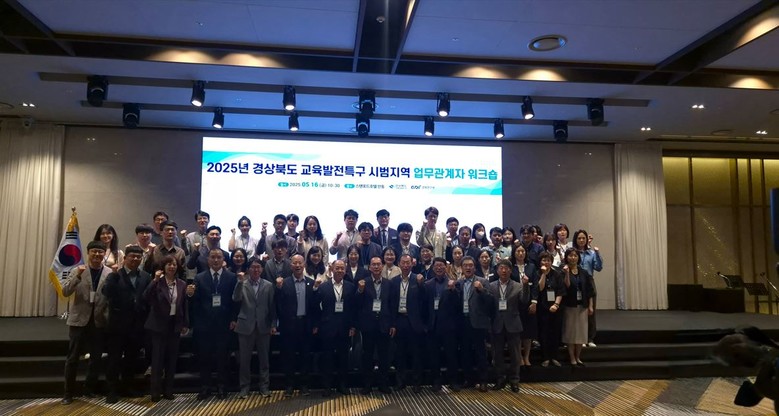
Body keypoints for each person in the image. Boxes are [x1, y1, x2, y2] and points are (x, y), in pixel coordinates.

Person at [61, 240, 112, 405]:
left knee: (96, 358)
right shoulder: (78, 270)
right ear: (88, 253)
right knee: (73, 358)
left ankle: (89, 390)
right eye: (94, 251)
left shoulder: (109, 273)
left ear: (104, 254)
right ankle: (68, 393)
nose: (97, 254)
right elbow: (65, 291)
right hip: (79, 320)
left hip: (99, 321)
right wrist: (77, 276)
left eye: (100, 252)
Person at [102, 245, 151, 403]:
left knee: (131, 359)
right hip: (117, 325)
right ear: (125, 258)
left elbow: (148, 298)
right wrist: (114, 276)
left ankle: (127, 387)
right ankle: (112, 390)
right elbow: (106, 292)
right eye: (132, 256)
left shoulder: (145, 276)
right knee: (114, 359)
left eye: (138, 257)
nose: (135, 259)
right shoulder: (115, 275)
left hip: (136, 326)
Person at [186, 247, 237, 400]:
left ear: (223, 260)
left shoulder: (231, 277)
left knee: (223, 358)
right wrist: (190, 295)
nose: (215, 260)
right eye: (213, 257)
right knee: (204, 358)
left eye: (218, 257)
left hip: (224, 324)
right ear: (208, 260)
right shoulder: (199, 278)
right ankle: (205, 387)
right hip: (204, 324)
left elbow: (235, 301)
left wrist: (233, 319)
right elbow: (195, 302)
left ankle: (222, 387)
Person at [144, 255, 189, 402]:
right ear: (163, 267)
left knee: (171, 360)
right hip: (158, 326)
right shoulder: (158, 282)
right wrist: (155, 280)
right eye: (169, 264)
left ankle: (168, 391)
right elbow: (146, 297)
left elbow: (184, 306)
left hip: (174, 325)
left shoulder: (181, 284)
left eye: (174, 264)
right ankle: (155, 392)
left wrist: (185, 324)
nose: (172, 267)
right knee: (157, 360)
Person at [232, 257, 276, 399]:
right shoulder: (242, 283)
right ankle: (244, 387)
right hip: (245, 325)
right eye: (253, 267)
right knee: (244, 360)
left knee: (264, 360)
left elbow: (272, 306)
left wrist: (273, 324)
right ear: (248, 269)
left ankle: (264, 387)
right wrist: (239, 282)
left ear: (262, 269)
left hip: (263, 325)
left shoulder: (268, 285)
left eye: (258, 267)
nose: (256, 269)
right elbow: (235, 298)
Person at [275, 254, 318, 396]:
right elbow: (278, 304)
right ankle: (289, 385)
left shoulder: (311, 283)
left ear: (304, 264)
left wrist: (315, 324)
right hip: (289, 326)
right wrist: (278, 289)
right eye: (295, 263)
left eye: (300, 263)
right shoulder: (284, 283)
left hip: (305, 325)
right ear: (291, 265)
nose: (298, 265)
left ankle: (304, 385)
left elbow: (315, 307)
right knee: (289, 357)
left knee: (305, 356)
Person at [313, 259, 355, 396]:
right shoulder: (323, 287)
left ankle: (342, 385)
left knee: (344, 358)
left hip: (344, 328)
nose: (340, 270)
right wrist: (318, 324)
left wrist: (352, 326)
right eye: (337, 268)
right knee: (327, 359)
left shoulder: (350, 287)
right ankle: (327, 386)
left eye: (342, 268)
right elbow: (315, 306)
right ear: (332, 269)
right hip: (327, 328)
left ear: (345, 270)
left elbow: (353, 309)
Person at [355, 257, 392, 394]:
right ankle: (367, 384)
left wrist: (392, 324)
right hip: (368, 325)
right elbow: (357, 303)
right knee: (367, 356)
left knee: (384, 356)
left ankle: (383, 384)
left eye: (378, 264)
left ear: (382, 266)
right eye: (373, 265)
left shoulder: (388, 284)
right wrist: (360, 290)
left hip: (384, 324)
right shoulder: (363, 282)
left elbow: (392, 305)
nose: (376, 267)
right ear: (369, 267)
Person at [389, 254, 426, 393]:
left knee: (417, 354)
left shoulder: (418, 279)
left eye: (408, 263)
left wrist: (421, 285)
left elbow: (424, 300)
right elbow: (391, 304)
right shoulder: (393, 281)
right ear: (399, 264)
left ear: (412, 264)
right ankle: (400, 382)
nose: (405, 265)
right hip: (399, 320)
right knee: (400, 354)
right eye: (403, 263)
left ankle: (417, 382)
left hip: (414, 322)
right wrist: (392, 323)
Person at [455, 256, 493, 392]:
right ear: (461, 268)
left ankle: (483, 381)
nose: (468, 268)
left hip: (478, 322)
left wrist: (482, 290)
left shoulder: (482, 281)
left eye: (470, 265)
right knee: (465, 352)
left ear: (475, 268)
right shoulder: (458, 283)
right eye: (465, 265)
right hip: (463, 322)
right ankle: (469, 379)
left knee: (480, 353)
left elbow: (490, 302)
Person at [424, 257, 460, 392]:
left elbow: (458, 304)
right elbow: (424, 306)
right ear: (433, 268)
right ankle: (436, 381)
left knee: (451, 355)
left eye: (441, 266)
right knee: (434, 356)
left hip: (449, 326)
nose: (439, 268)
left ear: (446, 267)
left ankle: (453, 381)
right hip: (433, 325)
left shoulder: (453, 283)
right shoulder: (428, 284)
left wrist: (453, 290)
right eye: (436, 266)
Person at [489, 259, 522, 392]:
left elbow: (524, 300)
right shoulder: (491, 286)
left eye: (506, 268)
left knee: (515, 354)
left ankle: (514, 380)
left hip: (513, 323)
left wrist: (526, 286)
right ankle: (500, 379)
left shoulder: (518, 286)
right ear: (497, 271)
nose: (503, 271)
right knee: (497, 354)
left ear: (510, 270)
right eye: (501, 268)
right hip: (497, 323)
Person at [561, 247, 594, 366]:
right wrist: (567, 274)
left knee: (581, 333)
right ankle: (572, 357)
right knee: (570, 332)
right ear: (566, 257)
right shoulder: (563, 271)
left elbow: (590, 291)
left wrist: (590, 306)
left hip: (582, 305)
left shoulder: (584, 272)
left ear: (578, 258)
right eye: (570, 255)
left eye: (575, 255)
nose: (573, 258)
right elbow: (567, 286)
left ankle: (578, 357)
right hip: (569, 305)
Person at [573, 230, 603, 347]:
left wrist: (597, 253)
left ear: (586, 240)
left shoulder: (591, 253)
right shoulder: (573, 252)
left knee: (591, 311)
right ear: (575, 240)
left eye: (583, 238)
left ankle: (590, 338)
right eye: (579, 238)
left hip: (589, 281)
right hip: (575, 281)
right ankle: (580, 338)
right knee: (578, 311)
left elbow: (598, 267)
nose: (581, 240)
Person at [512, 245, 538, 367]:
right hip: (515, 304)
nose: (520, 253)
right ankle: (519, 357)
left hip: (529, 303)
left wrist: (534, 301)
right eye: (518, 251)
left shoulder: (531, 267)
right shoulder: (511, 267)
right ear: (514, 253)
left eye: (522, 251)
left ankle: (526, 357)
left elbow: (535, 285)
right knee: (517, 332)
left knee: (528, 332)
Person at [537, 252, 564, 368]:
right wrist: (543, 274)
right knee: (544, 333)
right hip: (542, 308)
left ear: (552, 262)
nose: (546, 262)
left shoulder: (557, 274)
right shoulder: (537, 273)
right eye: (544, 260)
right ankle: (546, 357)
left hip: (555, 308)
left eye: (548, 260)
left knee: (555, 332)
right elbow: (540, 288)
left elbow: (560, 291)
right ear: (540, 262)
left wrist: (556, 305)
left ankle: (554, 357)